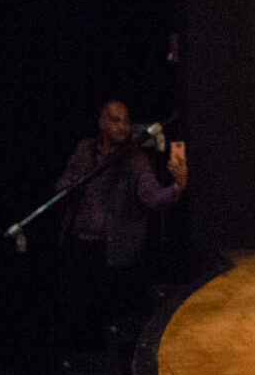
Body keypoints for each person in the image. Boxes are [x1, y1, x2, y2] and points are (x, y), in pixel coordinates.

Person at [56, 99, 188, 350]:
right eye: (115, 120)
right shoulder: (85, 150)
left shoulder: (134, 159)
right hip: (80, 246)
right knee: (78, 317)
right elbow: (68, 178)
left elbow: (152, 197)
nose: (122, 127)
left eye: (126, 121)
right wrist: (63, 186)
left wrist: (176, 187)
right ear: (102, 123)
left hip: (113, 253)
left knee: (112, 321)